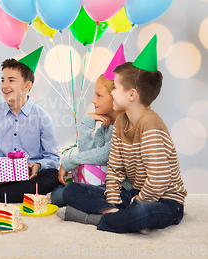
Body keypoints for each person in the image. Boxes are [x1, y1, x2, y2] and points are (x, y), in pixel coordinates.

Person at [58, 35, 187, 234]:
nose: (113, 93)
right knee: (71, 190)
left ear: (132, 95)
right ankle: (115, 214)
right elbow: (115, 170)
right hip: (133, 194)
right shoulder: (120, 124)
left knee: (143, 211)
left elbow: (159, 178)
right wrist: (113, 200)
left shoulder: (150, 124)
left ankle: (93, 218)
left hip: (164, 200)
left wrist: (141, 200)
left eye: (116, 88)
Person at [0, 47, 60, 203]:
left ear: (27, 85)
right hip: (3, 177)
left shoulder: (42, 117)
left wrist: (37, 165)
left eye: (11, 80)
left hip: (30, 175)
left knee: (52, 177)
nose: (4, 85)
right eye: (2, 80)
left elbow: (53, 159)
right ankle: (15, 194)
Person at [49, 45, 130, 207]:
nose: (93, 100)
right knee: (58, 190)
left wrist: (69, 160)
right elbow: (89, 155)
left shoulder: (125, 125)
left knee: (61, 195)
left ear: (115, 97)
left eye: (99, 95)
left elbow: (104, 154)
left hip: (123, 189)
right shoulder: (106, 125)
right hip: (102, 182)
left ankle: (96, 211)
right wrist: (88, 121)